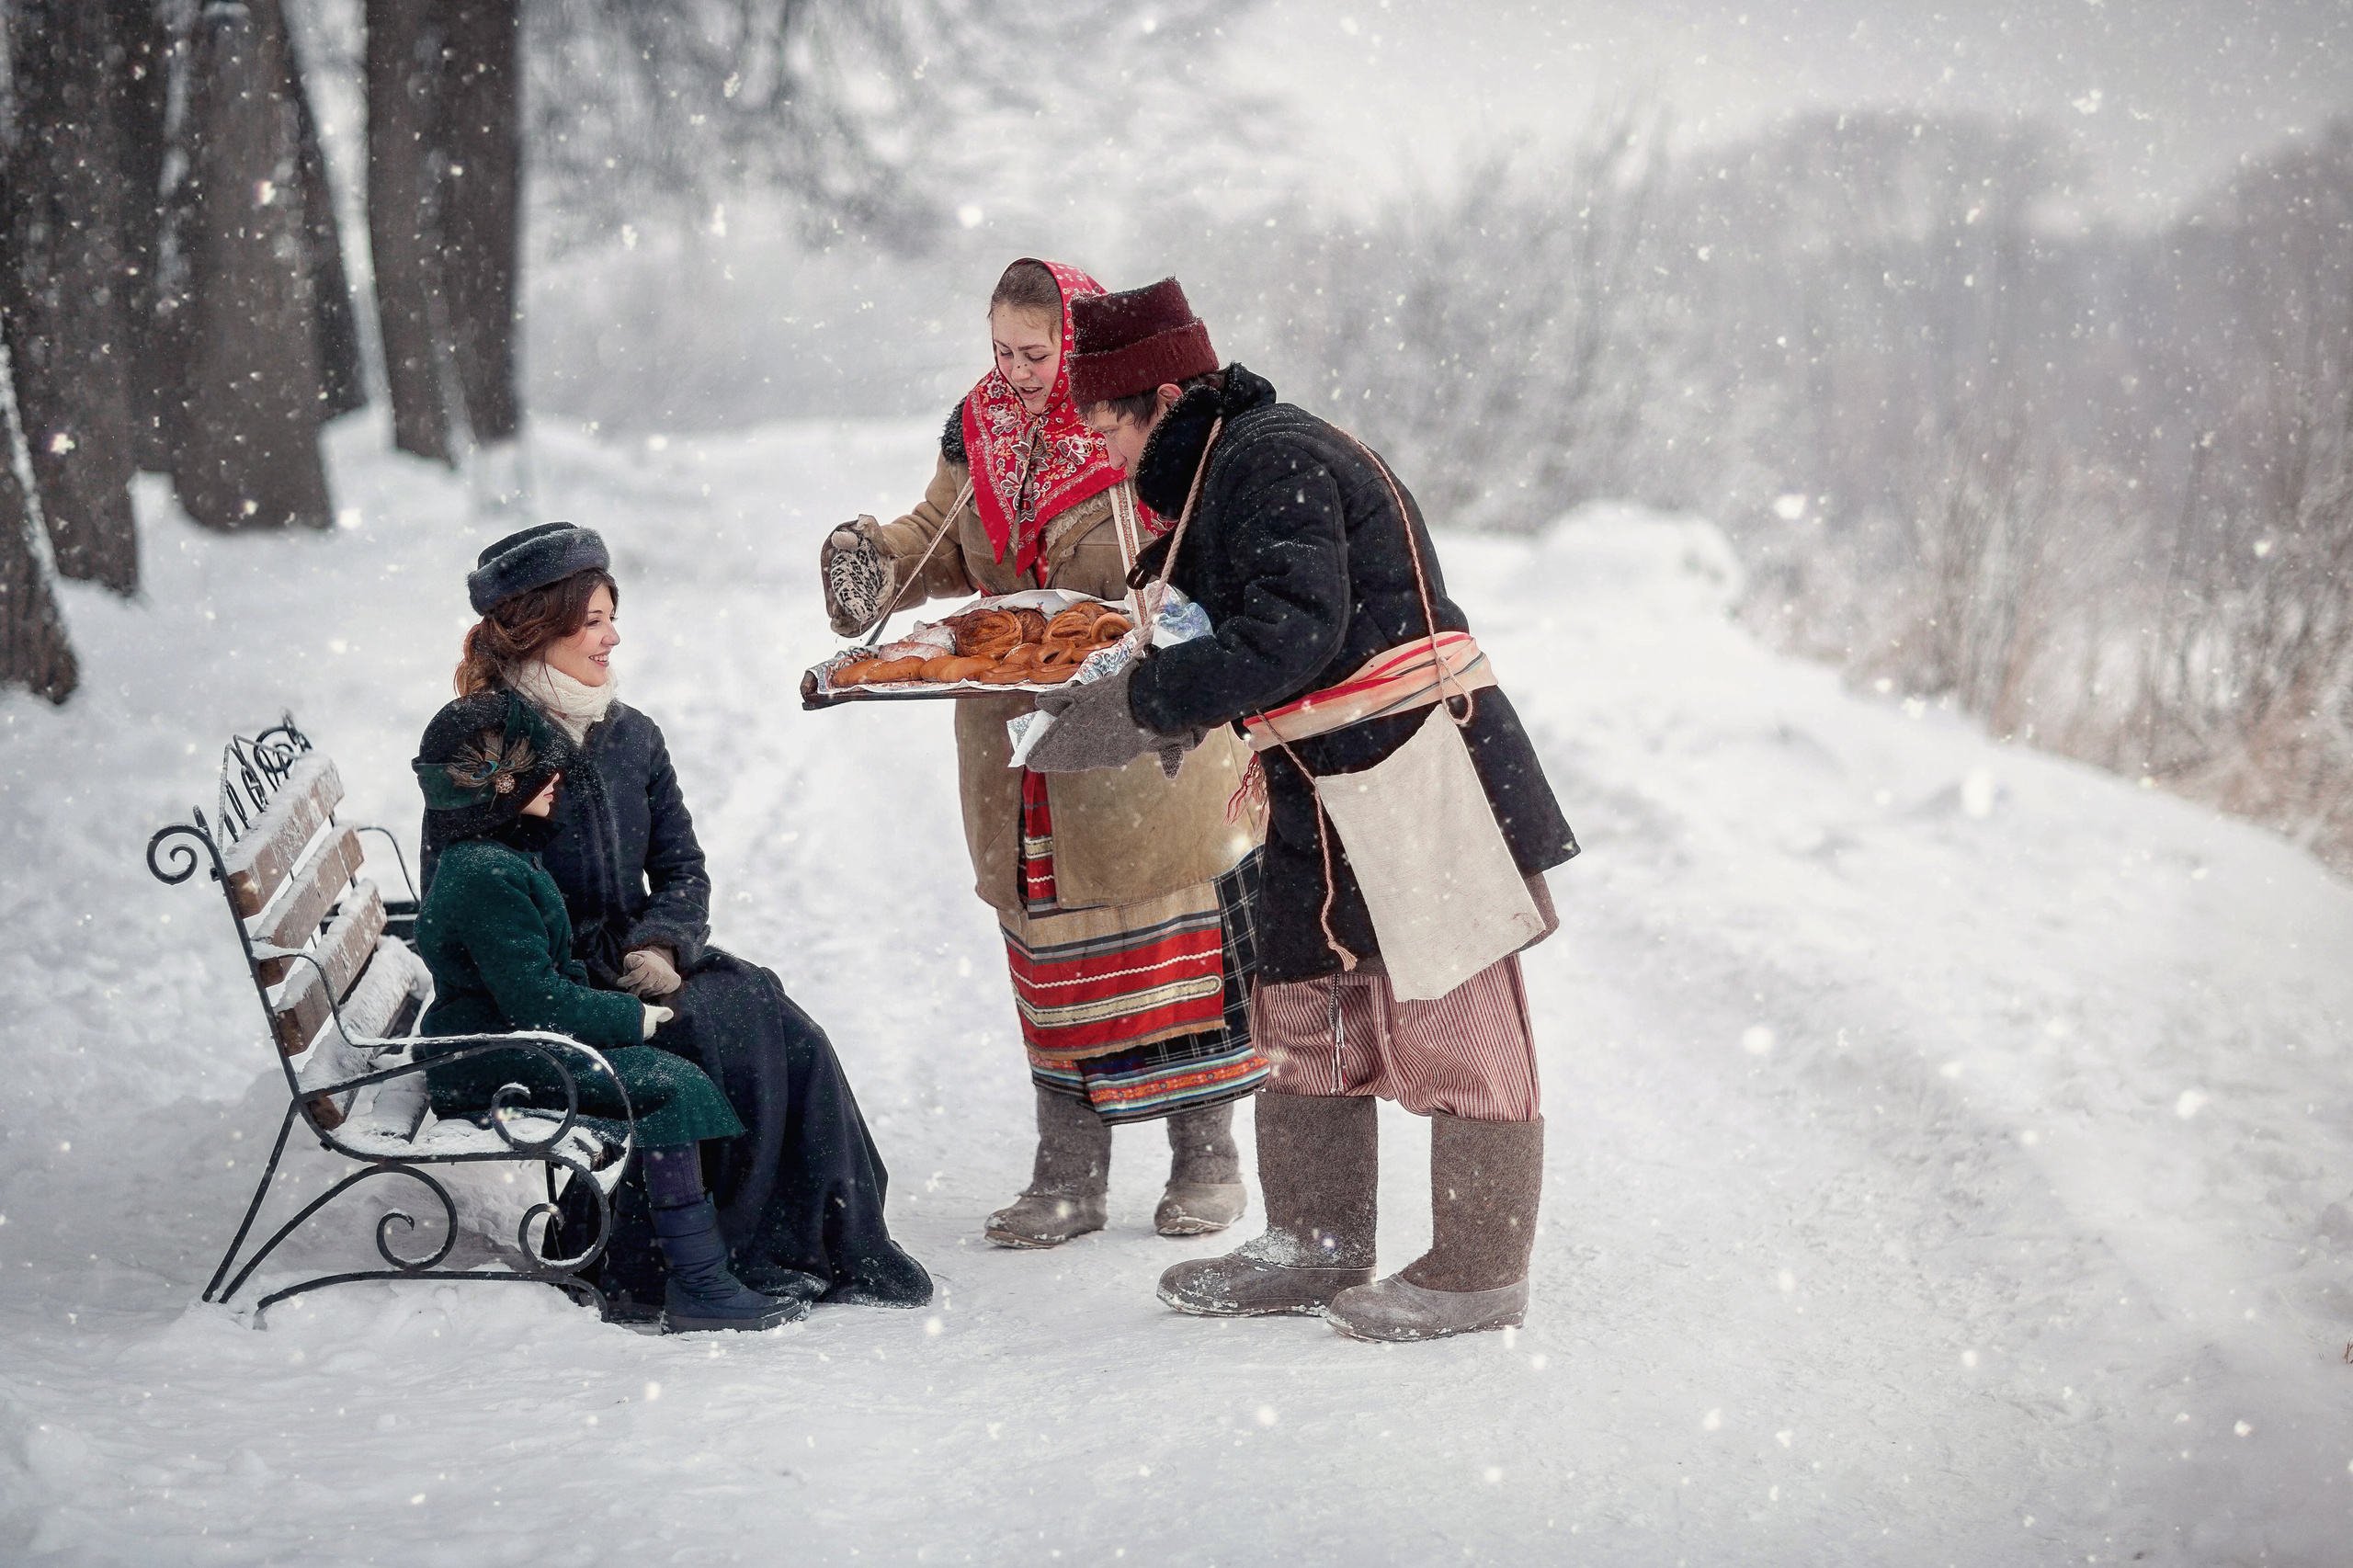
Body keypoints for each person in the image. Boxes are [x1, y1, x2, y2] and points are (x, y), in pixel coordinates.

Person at [1029, 278, 1580, 1342]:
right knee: (1303, 1001)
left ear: (1168, 392)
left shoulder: (1272, 457)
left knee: (1453, 1016)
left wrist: (1146, 700)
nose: (1102, 445)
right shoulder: (1217, 469)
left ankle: (1478, 1267)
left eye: (1109, 419)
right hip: (1315, 775)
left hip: (1414, 762)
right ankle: (1314, 1242)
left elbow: (1295, 632)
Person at [815, 258, 1267, 1249]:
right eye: (1000, 350)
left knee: (1177, 938)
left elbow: (1200, 554)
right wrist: (878, 563)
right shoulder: (978, 429)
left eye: (1036, 352)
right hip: (1013, 731)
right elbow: (942, 543)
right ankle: (1068, 1174)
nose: (1017, 372)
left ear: (1079, 344)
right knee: (1051, 945)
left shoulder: (1139, 424)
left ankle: (1208, 1159)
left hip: (1144, 729)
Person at [426, 521, 931, 1315]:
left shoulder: (632, 736)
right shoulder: (488, 747)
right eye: (591, 621)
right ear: (539, 629)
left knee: (781, 1022)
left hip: (636, 958)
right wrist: (603, 986)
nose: (612, 637)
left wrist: (663, 941)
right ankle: (715, 1258)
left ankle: (841, 1238)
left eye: (609, 617)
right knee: (717, 1039)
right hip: (553, 980)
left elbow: (683, 868)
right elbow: (472, 883)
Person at [409, 692, 795, 1332]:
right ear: (501, 785)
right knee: (667, 1085)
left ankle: (678, 1273)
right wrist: (633, 1020)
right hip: (488, 1059)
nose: (556, 781)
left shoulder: (495, 858)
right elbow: (537, 1002)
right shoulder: (486, 876)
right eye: (540, 771)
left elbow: (537, 990)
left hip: (502, 1043)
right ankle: (697, 1283)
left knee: (674, 1071)